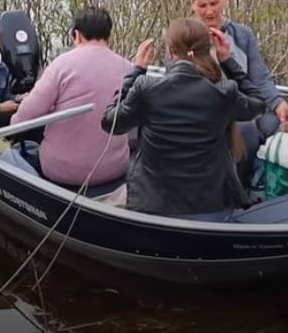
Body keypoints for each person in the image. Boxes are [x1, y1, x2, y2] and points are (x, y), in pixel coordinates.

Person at [101, 18, 266, 219]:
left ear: (170, 52)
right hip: (211, 206)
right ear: (209, 49)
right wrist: (228, 62)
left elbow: (110, 122)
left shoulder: (147, 88)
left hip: (155, 206)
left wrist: (136, 71)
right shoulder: (224, 92)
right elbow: (258, 104)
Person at [11, 7, 132, 189]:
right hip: (116, 167)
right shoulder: (128, 67)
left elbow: (27, 115)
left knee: (16, 150)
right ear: (108, 36)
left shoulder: (62, 65)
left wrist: (13, 121)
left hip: (64, 172)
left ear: (77, 35)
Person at [188, 0, 288, 167]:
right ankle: (240, 186)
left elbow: (259, 77)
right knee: (245, 130)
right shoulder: (184, 35)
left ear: (224, 0)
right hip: (204, 107)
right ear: (192, 4)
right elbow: (176, 80)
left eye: (214, 3)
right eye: (202, 6)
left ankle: (257, 175)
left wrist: (278, 103)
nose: (209, 11)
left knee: (273, 122)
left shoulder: (243, 35)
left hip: (241, 100)